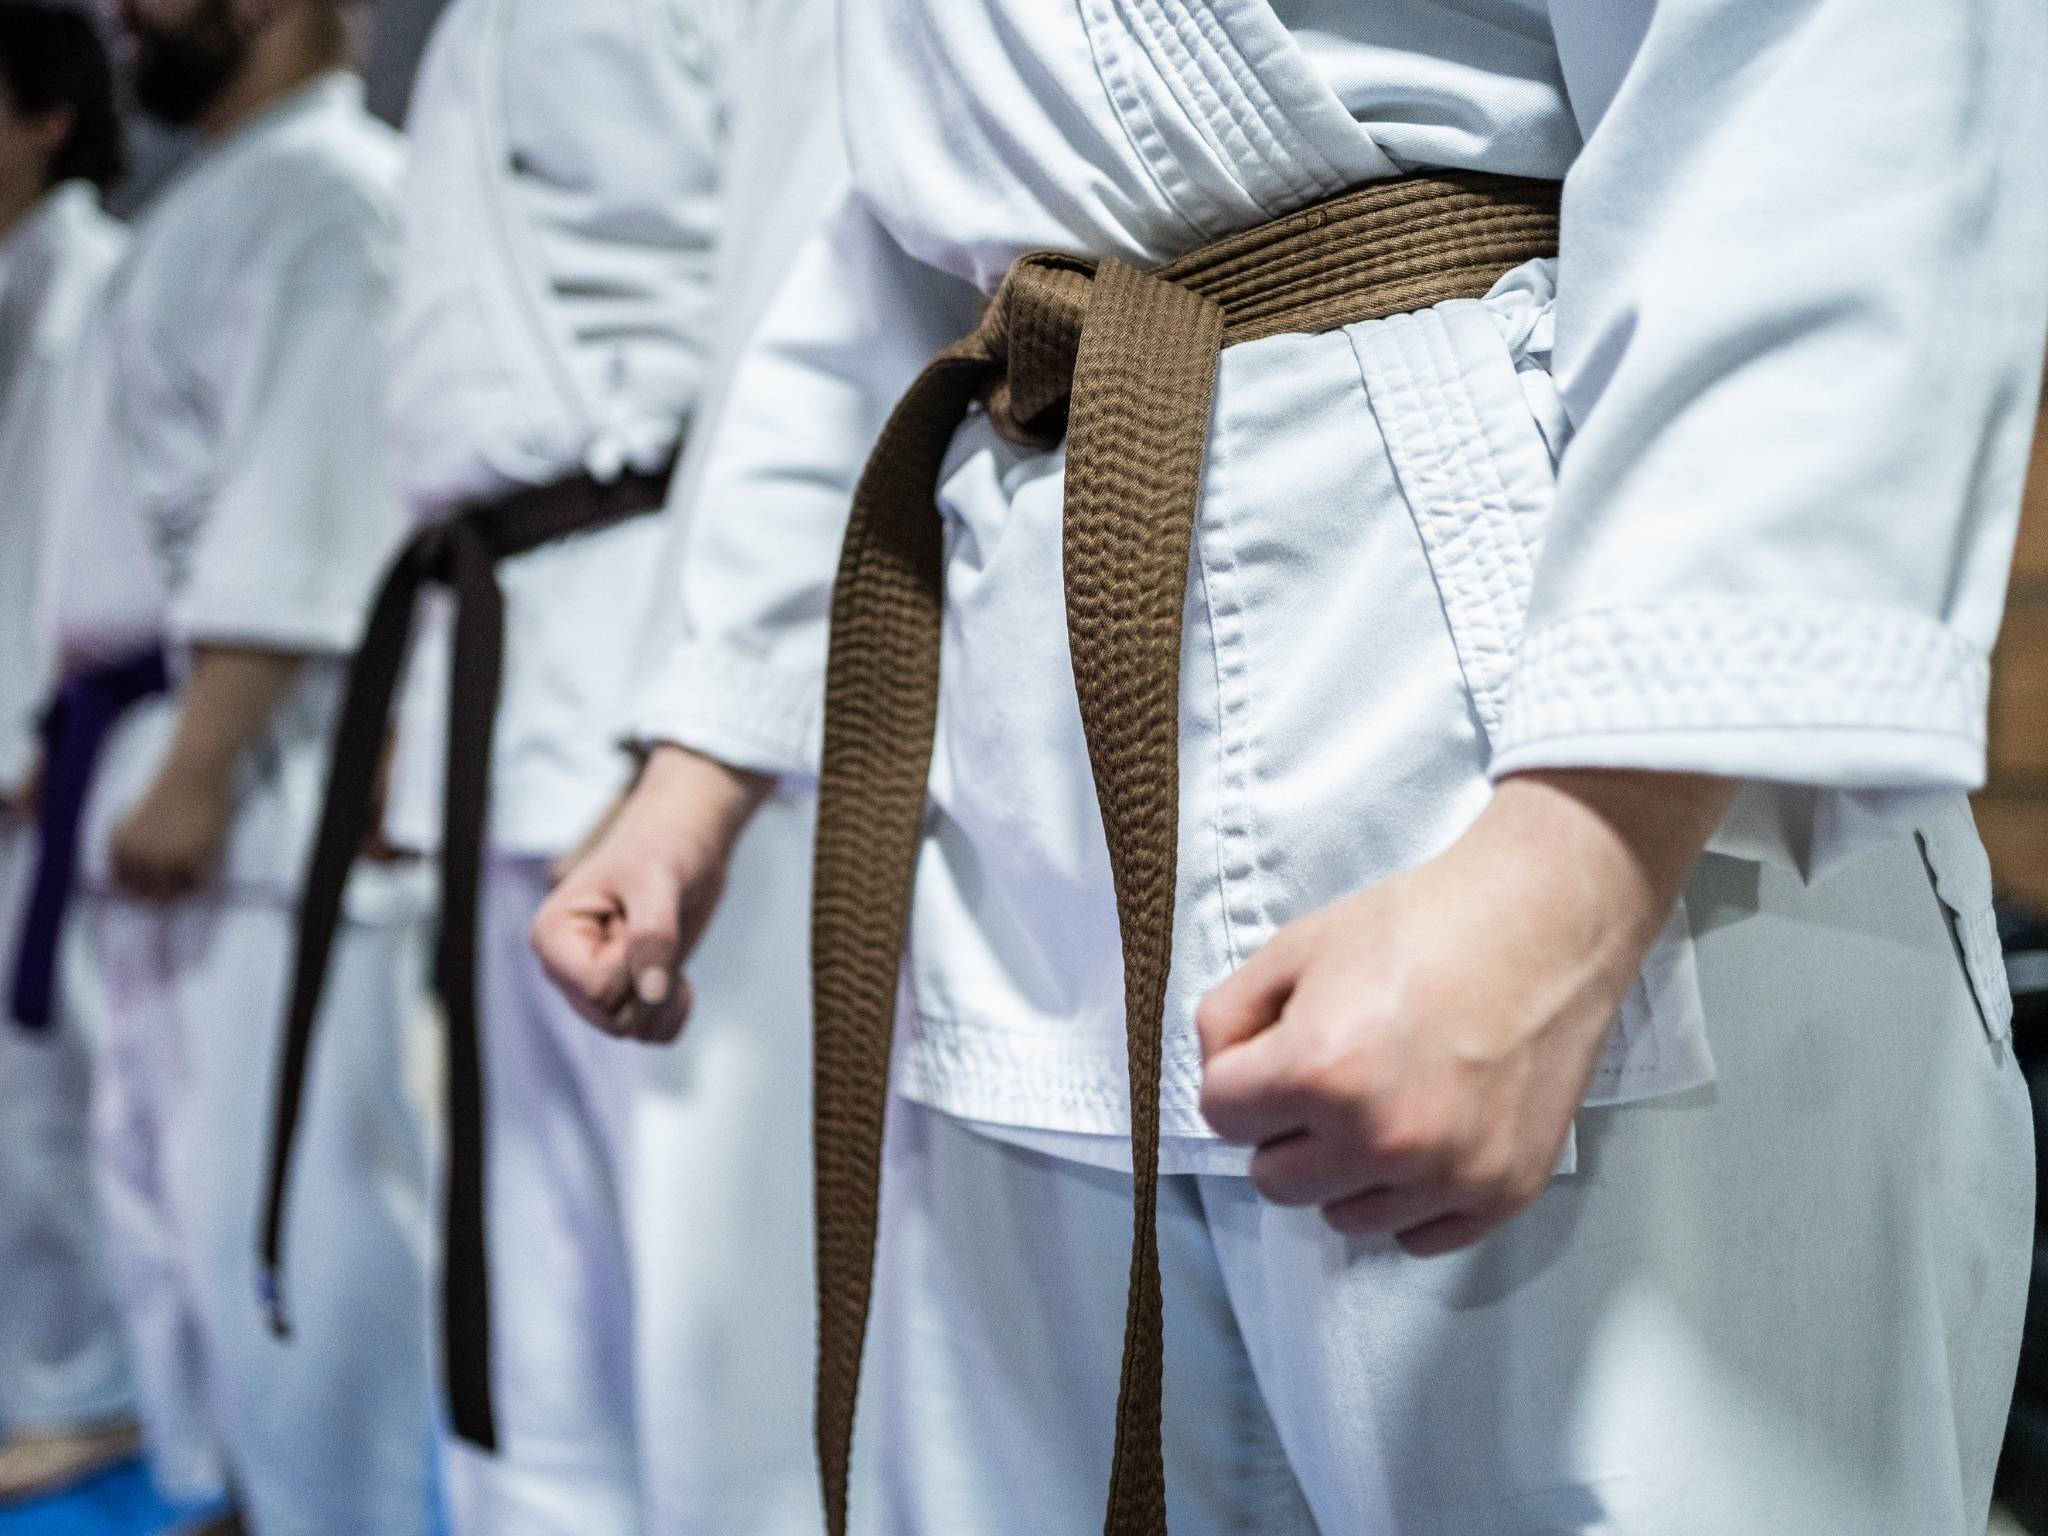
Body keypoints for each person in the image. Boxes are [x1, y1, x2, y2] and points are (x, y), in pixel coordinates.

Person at [536, 2, 2048, 1533]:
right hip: (1030, 794)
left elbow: (1821, 65)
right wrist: (706, 751)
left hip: (1528, 714)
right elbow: (890, 231)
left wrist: (1579, 862)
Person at [264, 1, 838, 1530]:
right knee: (532, 1277)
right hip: (499, 654)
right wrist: (423, 694)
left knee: (720, 1306)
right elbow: (459, 382)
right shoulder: (472, 25)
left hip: (691, 662)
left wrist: (687, 728)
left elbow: (802, 326)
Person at [37, 1, 434, 1530]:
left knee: (294, 1200)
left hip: (264, 767)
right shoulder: (230, 194)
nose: (126, 19)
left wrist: (198, 765)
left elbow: (306, 499)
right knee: (172, 1186)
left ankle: (334, 1511)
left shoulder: (327, 194)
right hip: (160, 738)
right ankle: (229, 1489)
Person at [0, 0, 140, 1504]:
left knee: (47, 1080)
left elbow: (75, 538)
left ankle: (84, 1385)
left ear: (47, 116)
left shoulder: (91, 279)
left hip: (52, 744)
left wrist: (36, 725)